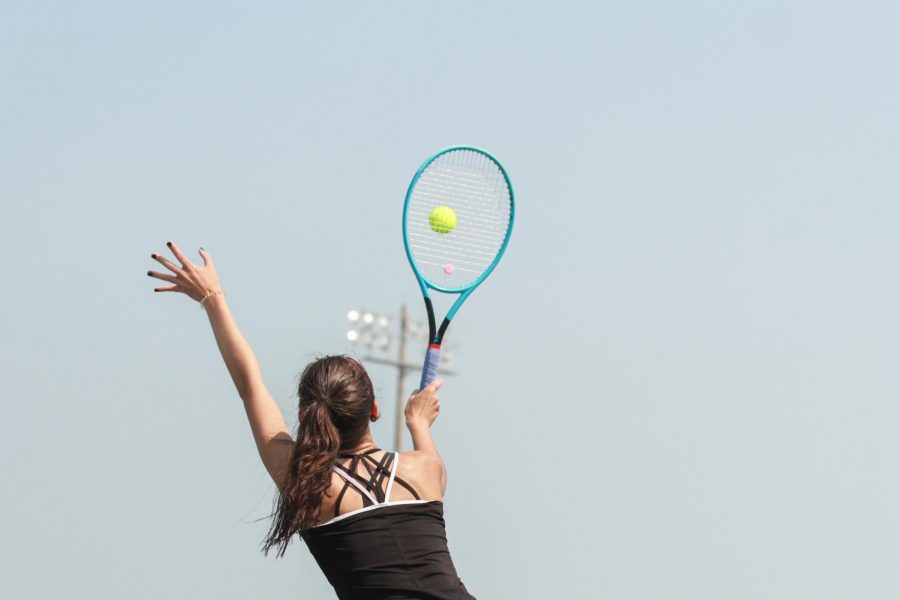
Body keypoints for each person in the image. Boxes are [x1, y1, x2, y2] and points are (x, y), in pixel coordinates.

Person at [147, 241, 475, 600]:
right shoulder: (425, 470)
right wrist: (418, 424)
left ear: (308, 416)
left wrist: (213, 299)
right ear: (374, 409)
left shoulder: (306, 484)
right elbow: (423, 437)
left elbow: (249, 386)